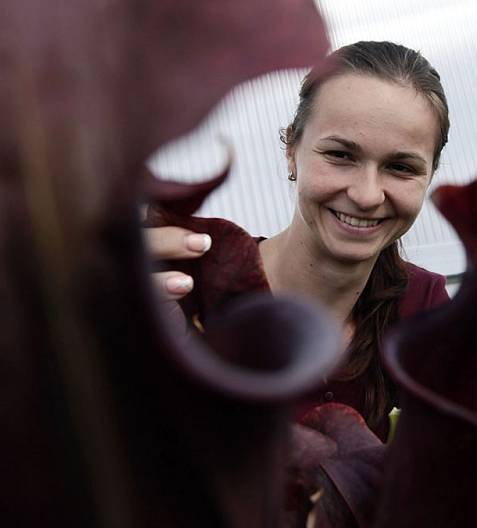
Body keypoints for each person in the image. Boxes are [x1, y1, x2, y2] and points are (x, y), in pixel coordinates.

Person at [147, 41, 451, 439]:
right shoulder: (186, 270)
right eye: (341, 155)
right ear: (292, 150)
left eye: (400, 167)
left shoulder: (417, 305)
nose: (366, 194)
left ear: (430, 174)